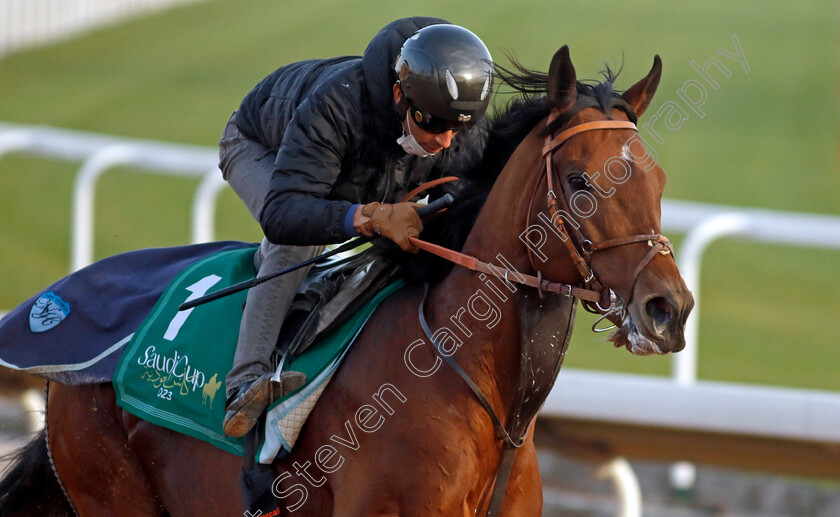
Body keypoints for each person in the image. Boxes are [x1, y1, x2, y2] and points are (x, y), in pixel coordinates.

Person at [218, 16, 494, 438]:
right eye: (434, 124)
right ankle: (244, 382)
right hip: (258, 145)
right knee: (296, 245)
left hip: (341, 171)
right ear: (400, 96)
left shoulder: (455, 118)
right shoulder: (336, 106)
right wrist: (369, 216)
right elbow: (285, 211)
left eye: (458, 127)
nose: (445, 142)